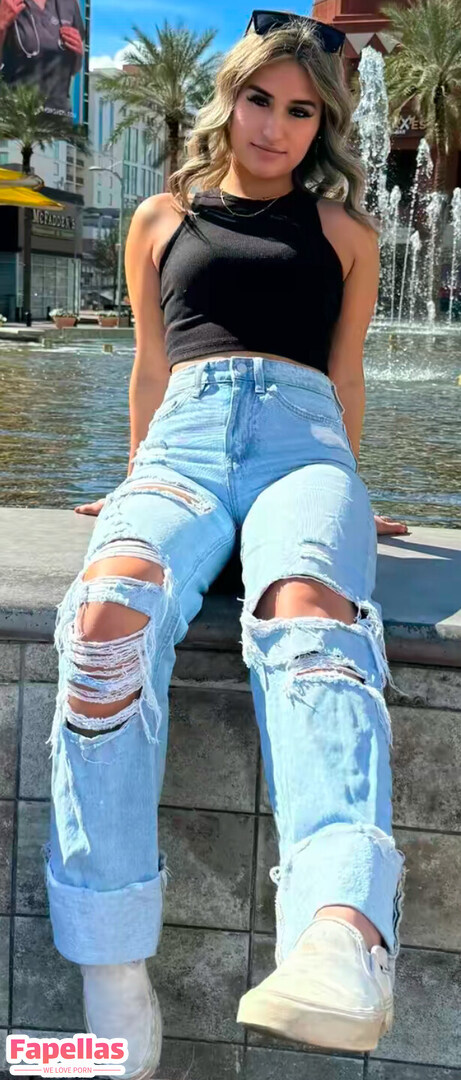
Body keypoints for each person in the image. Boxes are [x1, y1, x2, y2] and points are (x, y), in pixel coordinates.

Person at [41, 10, 409, 1079]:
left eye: (300, 112)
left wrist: (347, 490)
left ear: (321, 126)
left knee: (309, 609)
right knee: (106, 620)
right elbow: (149, 369)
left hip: (302, 450)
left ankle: (340, 935)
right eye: (259, 100)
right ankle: (112, 971)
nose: (275, 127)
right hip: (183, 445)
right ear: (229, 97)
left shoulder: (345, 234)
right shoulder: (159, 217)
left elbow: (344, 374)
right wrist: (133, 483)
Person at [0, 0, 84, 118]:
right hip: (16, 118)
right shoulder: (6, 3)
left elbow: (74, 69)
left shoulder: (68, 4)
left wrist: (78, 53)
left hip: (58, 118)